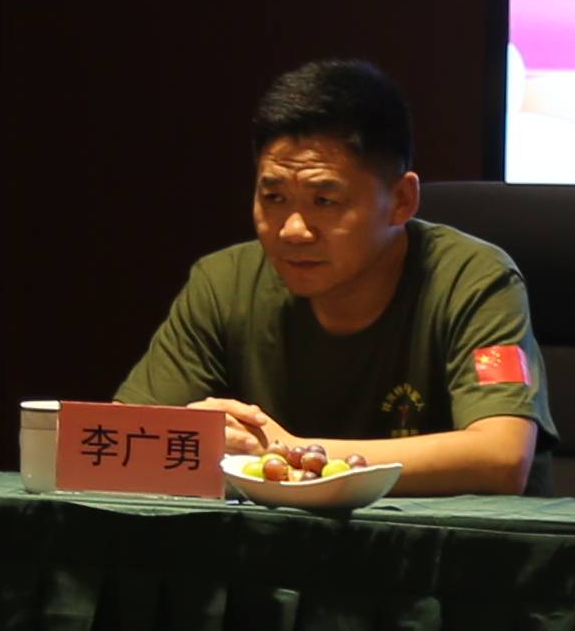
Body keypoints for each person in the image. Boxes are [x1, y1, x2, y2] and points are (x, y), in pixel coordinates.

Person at [113, 59, 542, 496]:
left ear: (401, 200)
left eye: (324, 201)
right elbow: (117, 444)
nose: (292, 230)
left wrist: (287, 453)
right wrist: (191, 435)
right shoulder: (224, 283)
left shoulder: (473, 280)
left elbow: (502, 458)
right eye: (273, 197)